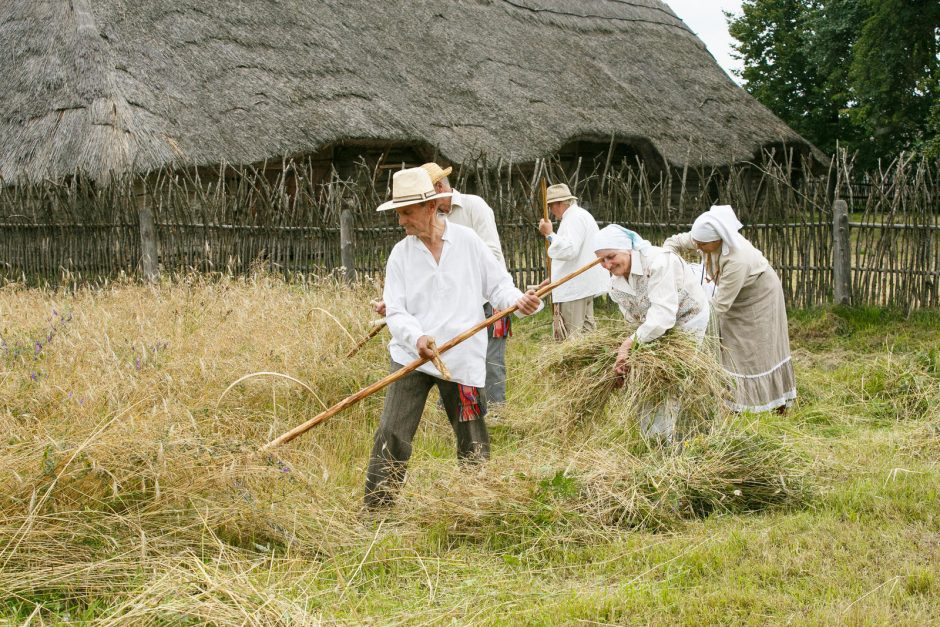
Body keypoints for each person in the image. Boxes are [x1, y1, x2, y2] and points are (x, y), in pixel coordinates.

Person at [365, 167, 542, 508]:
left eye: (407, 212)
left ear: (430, 207)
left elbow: (500, 288)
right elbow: (396, 312)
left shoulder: (468, 242)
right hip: (412, 357)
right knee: (393, 432)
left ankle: (477, 505)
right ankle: (377, 511)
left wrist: (521, 302)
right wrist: (417, 338)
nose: (401, 221)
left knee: (471, 434)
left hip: (461, 356)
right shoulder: (400, 255)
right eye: (398, 213)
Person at [663, 205, 796, 413]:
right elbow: (673, 243)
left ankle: (770, 402)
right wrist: (672, 265)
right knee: (732, 342)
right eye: (696, 242)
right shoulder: (702, 237)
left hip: (759, 295)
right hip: (732, 293)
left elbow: (719, 306)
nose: (697, 246)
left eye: (702, 244)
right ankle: (734, 400)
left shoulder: (737, 259)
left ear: (718, 240)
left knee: (755, 346)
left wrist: (692, 327)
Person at [593, 224, 710, 440]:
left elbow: (664, 314)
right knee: (648, 375)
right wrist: (629, 355)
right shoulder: (616, 284)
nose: (607, 264)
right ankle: (654, 437)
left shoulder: (658, 262)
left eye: (611, 256)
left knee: (675, 376)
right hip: (652, 326)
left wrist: (629, 344)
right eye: (601, 260)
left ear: (627, 249)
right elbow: (633, 319)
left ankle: (685, 435)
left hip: (686, 318)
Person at [420, 162, 511, 406]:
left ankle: (495, 410)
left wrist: (461, 275)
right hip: (456, 303)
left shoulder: (474, 206)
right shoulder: (433, 218)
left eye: (426, 194)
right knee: (455, 353)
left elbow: (492, 251)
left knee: (491, 358)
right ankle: (456, 409)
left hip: (489, 298)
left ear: (439, 187)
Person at [537, 184, 609, 340]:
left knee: (572, 336)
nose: (550, 210)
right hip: (583, 285)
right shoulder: (579, 215)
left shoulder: (573, 218)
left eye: (551, 206)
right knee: (587, 335)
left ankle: (576, 365)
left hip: (575, 289)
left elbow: (570, 250)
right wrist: (553, 279)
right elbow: (581, 255)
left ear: (560, 203)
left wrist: (549, 234)